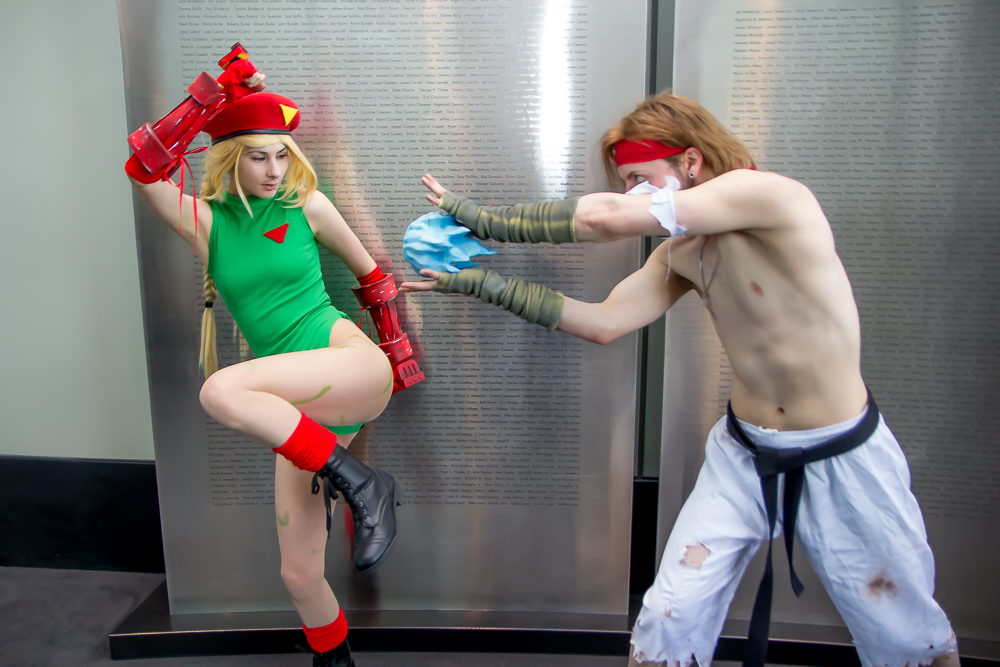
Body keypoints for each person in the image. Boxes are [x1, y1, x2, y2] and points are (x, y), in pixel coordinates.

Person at [401, 92, 959, 667]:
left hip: (842, 453)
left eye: (639, 179)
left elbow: (605, 218)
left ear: (690, 161)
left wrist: (482, 219)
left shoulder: (770, 196)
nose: (630, 196)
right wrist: (478, 284)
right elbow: (605, 322)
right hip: (743, 454)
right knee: (669, 619)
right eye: (625, 184)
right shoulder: (682, 252)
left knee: (905, 637)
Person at [126, 54, 416, 667]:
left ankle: (365, 485)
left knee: (219, 391)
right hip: (301, 415)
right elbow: (143, 167)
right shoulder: (206, 222)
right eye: (258, 156)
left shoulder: (306, 206)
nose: (274, 169)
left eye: (282, 154)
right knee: (299, 574)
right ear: (230, 157)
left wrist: (399, 356)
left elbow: (374, 279)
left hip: (350, 365)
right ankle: (334, 658)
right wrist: (213, 97)